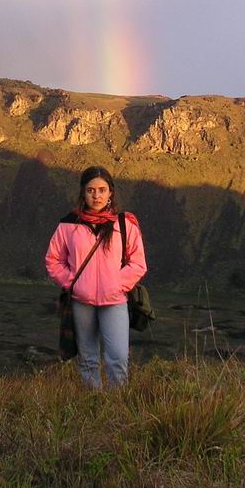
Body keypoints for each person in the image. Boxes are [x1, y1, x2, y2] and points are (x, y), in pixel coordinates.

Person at [45, 166, 147, 388]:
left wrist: (117, 284)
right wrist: (73, 282)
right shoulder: (68, 224)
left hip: (115, 301)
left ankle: (116, 405)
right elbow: (53, 260)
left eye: (102, 190)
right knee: (87, 358)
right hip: (82, 301)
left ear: (111, 192)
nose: (97, 196)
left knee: (118, 357)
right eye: (91, 190)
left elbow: (138, 263)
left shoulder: (124, 224)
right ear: (83, 192)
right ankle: (94, 404)